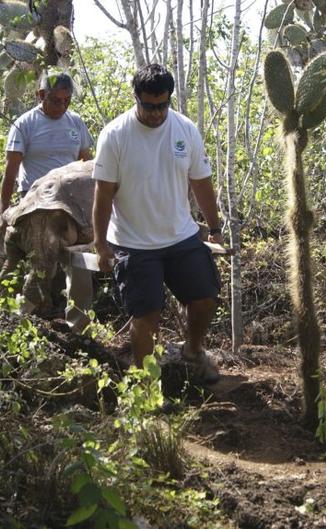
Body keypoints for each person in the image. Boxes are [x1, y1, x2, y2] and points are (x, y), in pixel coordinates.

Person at [92, 64, 224, 383]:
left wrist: (216, 228)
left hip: (180, 236)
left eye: (162, 105)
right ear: (136, 98)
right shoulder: (115, 135)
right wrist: (100, 243)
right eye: (149, 106)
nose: (155, 113)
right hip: (134, 242)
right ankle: (147, 388)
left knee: (206, 298)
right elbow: (104, 193)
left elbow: (201, 183)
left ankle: (193, 351)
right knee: (147, 315)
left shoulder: (185, 129)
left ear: (169, 99)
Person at [0, 72, 95, 329]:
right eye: (55, 100)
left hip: (71, 204)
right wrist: (3, 210)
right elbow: (11, 172)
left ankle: (74, 322)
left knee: (75, 264)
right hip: (37, 205)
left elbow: (88, 166)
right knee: (39, 267)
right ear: (41, 95)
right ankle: (15, 321)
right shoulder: (25, 124)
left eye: (67, 101)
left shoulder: (75, 123)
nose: (61, 106)